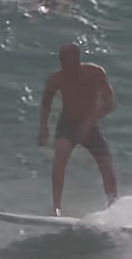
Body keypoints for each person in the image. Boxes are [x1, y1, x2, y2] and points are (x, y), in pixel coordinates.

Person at [37, 44, 119, 216]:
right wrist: (43, 127)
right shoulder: (56, 79)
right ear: (61, 63)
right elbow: (46, 103)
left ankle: (114, 208)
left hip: (91, 124)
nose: (70, 68)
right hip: (68, 123)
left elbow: (110, 104)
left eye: (73, 63)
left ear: (78, 61)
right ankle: (57, 208)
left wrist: (89, 121)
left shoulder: (95, 73)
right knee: (60, 158)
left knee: (106, 165)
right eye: (66, 64)